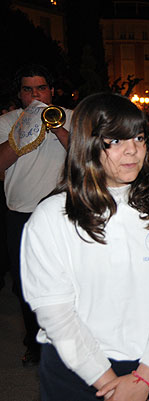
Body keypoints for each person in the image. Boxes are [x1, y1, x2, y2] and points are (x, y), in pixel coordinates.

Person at [20, 92, 149, 401]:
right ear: (87, 145)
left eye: (139, 137)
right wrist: (108, 381)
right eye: (115, 141)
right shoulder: (52, 217)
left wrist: (144, 378)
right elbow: (56, 312)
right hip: (77, 368)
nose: (132, 150)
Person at [0, 64, 72, 366]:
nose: (35, 95)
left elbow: (84, 155)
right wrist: (24, 131)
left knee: (67, 280)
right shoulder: (6, 121)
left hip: (63, 211)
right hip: (21, 213)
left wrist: (55, 127)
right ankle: (36, 342)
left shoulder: (70, 115)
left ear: (51, 91)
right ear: (20, 95)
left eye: (41, 88)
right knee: (25, 284)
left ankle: (69, 344)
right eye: (28, 90)